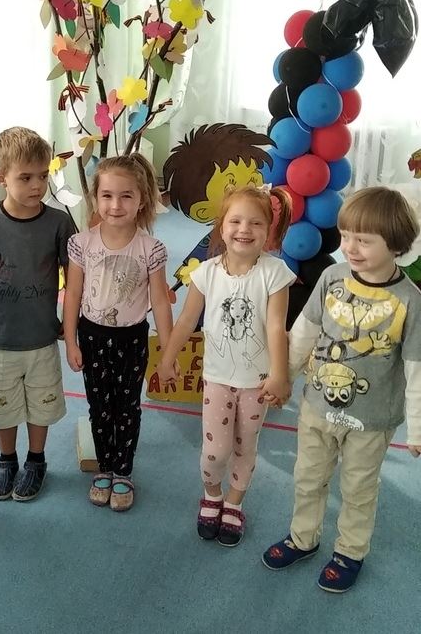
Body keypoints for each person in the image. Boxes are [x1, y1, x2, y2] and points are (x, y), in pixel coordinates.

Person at [262, 187, 421, 593]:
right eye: (346, 236)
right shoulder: (332, 277)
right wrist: (283, 377)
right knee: (307, 477)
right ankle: (303, 537)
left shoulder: (410, 301)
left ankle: (350, 552)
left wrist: (417, 429)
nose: (350, 247)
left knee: (358, 489)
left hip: (371, 421)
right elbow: (304, 331)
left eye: (363, 240)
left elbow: (416, 367)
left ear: (396, 243)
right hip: (317, 406)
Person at [158, 185, 295, 544]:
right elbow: (186, 320)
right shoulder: (206, 273)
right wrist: (167, 359)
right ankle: (212, 495)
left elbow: (276, 326)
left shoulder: (275, 273)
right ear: (221, 226)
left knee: (245, 446)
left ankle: (234, 502)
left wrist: (280, 374)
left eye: (255, 223)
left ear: (268, 230)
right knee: (215, 450)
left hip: (257, 382)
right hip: (217, 379)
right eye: (235, 221)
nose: (244, 230)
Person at [0, 127, 74, 501]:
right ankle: (6, 459)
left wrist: (69, 321)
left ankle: (36, 459)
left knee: (41, 402)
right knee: (3, 403)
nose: (37, 185)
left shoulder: (58, 222)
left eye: (43, 176)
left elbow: (73, 273)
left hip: (42, 335)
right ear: (2, 178)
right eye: (25, 177)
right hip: (0, 337)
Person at [63, 153, 173, 512]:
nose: (115, 205)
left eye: (126, 196)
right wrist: (70, 341)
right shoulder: (82, 243)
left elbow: (160, 301)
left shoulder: (151, 249)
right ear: (96, 197)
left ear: (142, 199)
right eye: (107, 195)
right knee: (99, 406)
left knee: (127, 407)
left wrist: (168, 352)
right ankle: (105, 467)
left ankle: (123, 470)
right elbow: (73, 294)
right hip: (91, 337)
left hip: (131, 339)